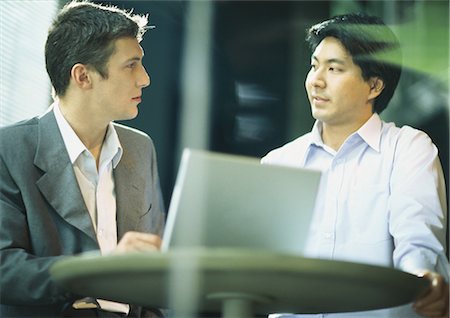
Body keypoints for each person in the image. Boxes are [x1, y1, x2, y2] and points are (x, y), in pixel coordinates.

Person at [262, 13, 449, 318]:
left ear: (374, 85)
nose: (316, 80)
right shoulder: (278, 163)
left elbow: (417, 237)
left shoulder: (407, 149)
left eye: (334, 68)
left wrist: (421, 278)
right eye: (314, 65)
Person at [0, 1, 166, 317]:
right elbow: (4, 269)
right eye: (131, 65)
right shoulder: (8, 149)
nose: (144, 78)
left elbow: (152, 276)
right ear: (83, 76)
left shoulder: (140, 149)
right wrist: (99, 272)